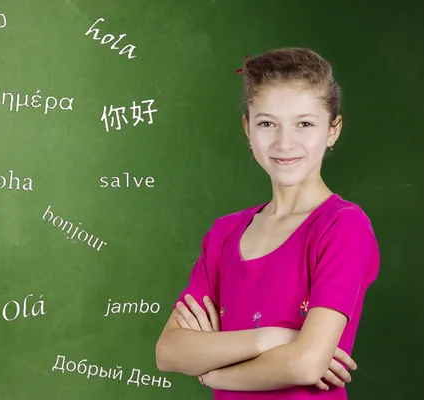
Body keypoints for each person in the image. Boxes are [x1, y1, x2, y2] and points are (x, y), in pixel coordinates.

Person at [155, 47, 380, 399]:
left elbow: (306, 363)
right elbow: (169, 352)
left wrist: (212, 372)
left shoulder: (343, 227)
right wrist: (272, 337)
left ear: (333, 130)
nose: (284, 142)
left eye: (304, 123)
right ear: (248, 128)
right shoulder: (224, 234)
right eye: (266, 123)